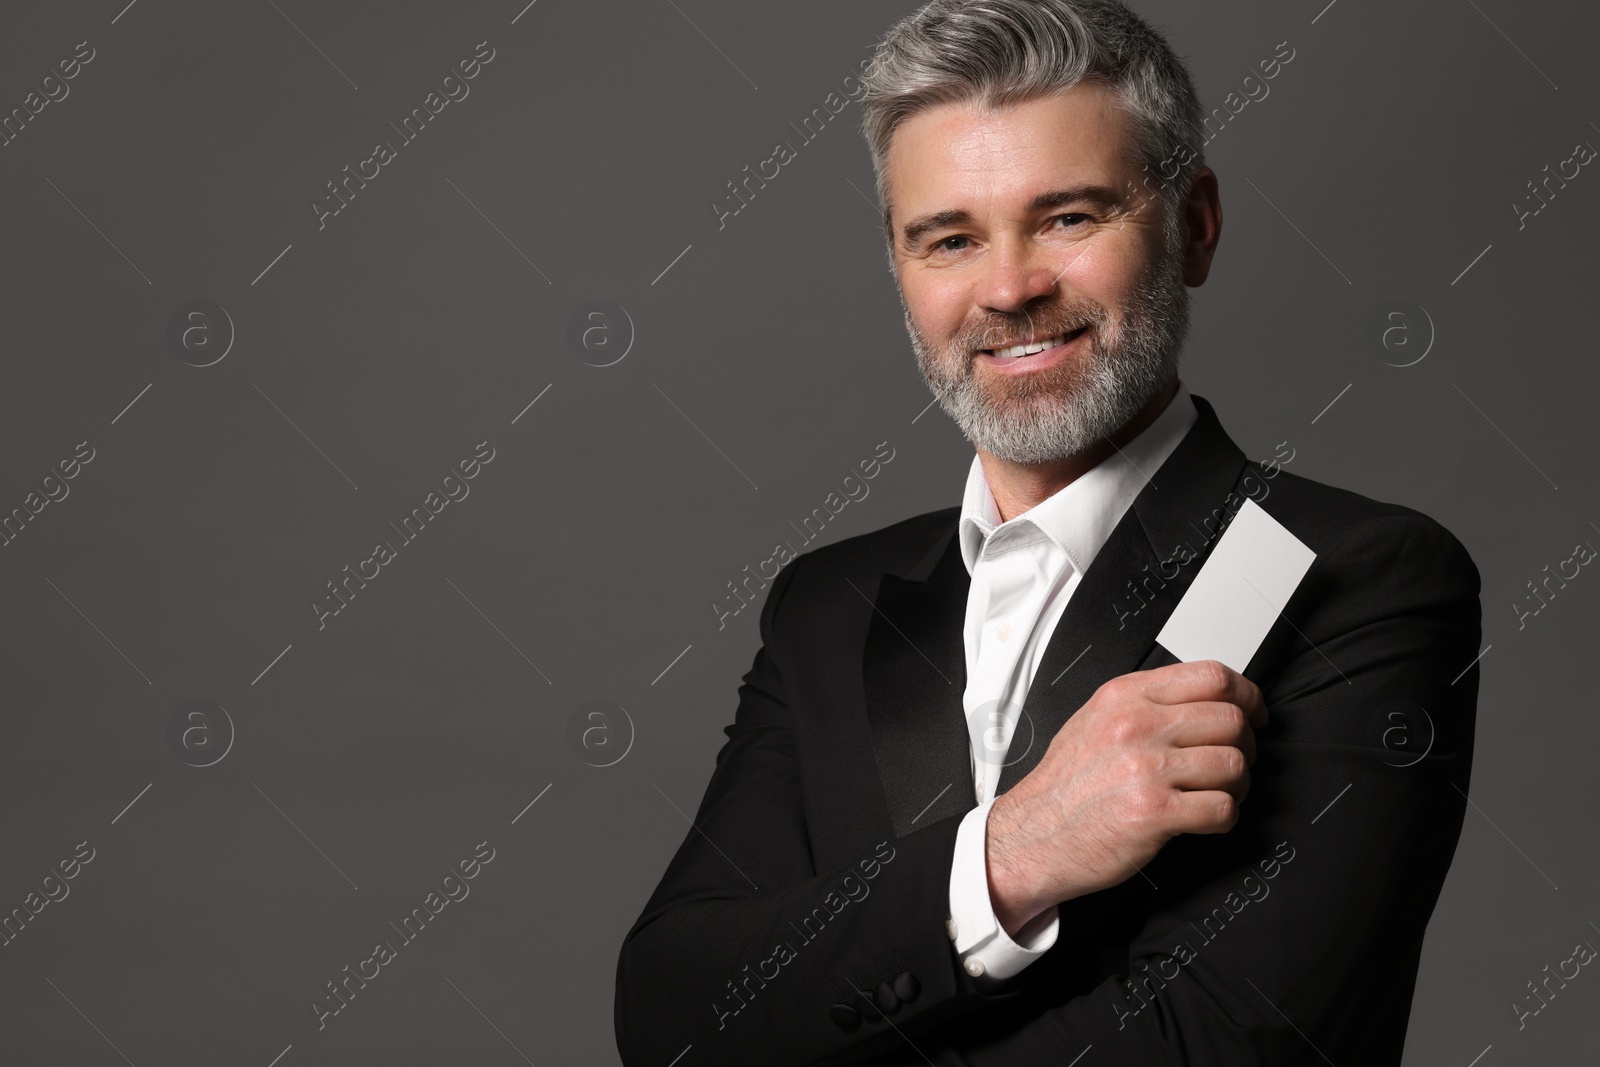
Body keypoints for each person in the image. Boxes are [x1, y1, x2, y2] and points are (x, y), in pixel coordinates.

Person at [615, 1, 1481, 1063]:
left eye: (1069, 217)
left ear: (1194, 224)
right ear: (901, 271)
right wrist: (1014, 852)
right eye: (949, 238)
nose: (1010, 286)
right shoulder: (827, 606)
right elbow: (673, 1016)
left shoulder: (1335, 573)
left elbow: (1227, 1043)